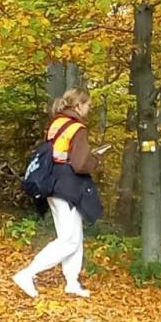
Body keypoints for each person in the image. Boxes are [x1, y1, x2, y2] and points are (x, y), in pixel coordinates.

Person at [13, 88, 105, 298]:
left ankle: (72, 281)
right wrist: (96, 159)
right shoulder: (78, 128)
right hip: (68, 187)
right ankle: (28, 273)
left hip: (52, 183)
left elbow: (60, 154)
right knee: (69, 239)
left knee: (74, 235)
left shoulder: (56, 123)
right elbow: (80, 165)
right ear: (79, 105)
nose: (89, 109)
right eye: (88, 105)